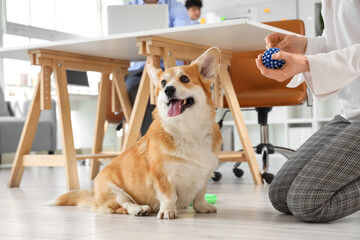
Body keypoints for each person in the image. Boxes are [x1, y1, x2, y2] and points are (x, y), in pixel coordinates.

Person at [255, 0, 360, 223]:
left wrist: (306, 62)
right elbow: (340, 41)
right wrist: (303, 46)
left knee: (310, 203)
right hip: (351, 112)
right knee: (280, 195)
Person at [125, 0, 191, 135]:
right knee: (136, 88)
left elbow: (183, 36)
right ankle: (153, 142)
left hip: (171, 69)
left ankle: (171, 138)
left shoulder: (175, 7)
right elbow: (122, 40)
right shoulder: (129, 7)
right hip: (139, 69)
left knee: (168, 91)